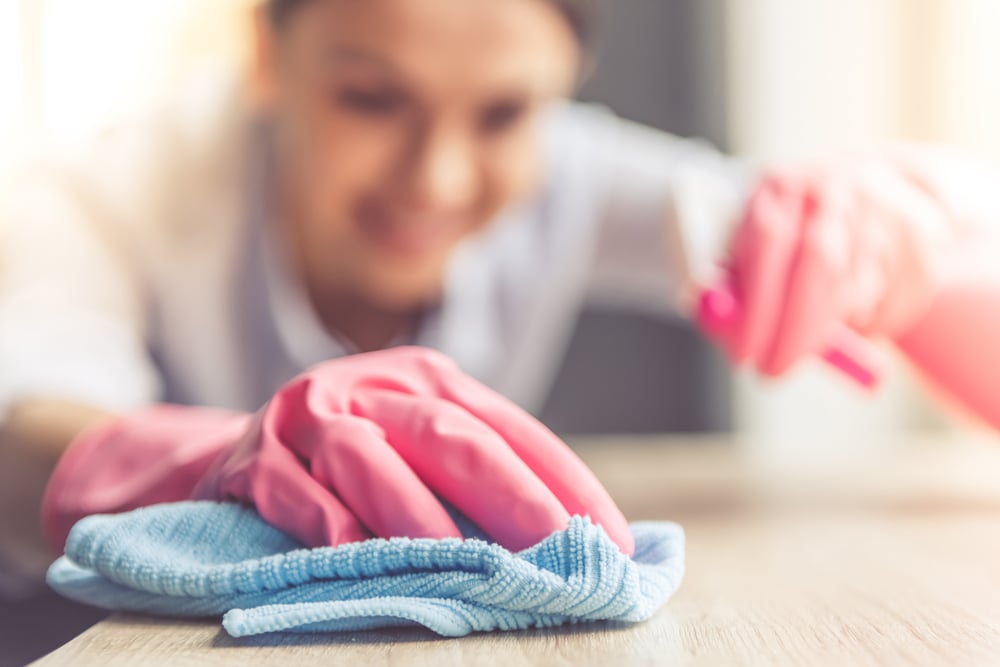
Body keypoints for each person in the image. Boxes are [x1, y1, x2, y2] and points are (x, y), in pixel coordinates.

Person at [2, 0, 1000, 587]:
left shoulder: (568, 174)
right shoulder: (104, 192)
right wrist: (219, 459)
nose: (436, 177)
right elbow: (20, 430)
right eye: (369, 97)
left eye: (505, 112)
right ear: (268, 57)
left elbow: (886, 262)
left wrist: (899, 238)